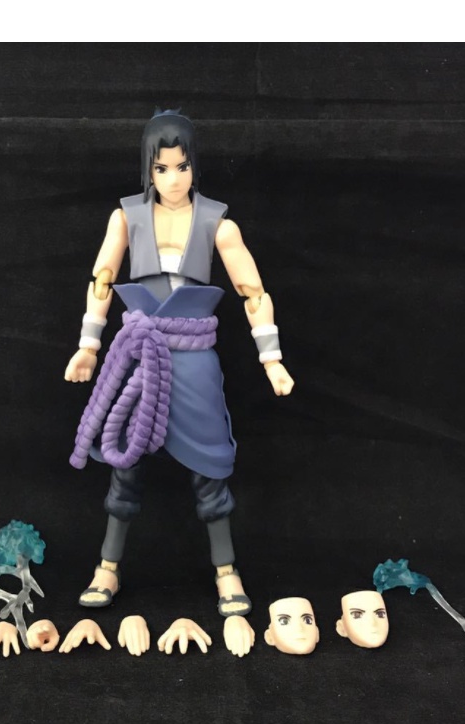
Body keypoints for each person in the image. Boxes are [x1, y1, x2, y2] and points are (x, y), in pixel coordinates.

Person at [65, 111, 294, 616]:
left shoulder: (218, 223)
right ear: (148, 168)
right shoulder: (126, 217)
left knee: (210, 467)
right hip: (140, 354)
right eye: (162, 168)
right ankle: (107, 566)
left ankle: (226, 571)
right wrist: (89, 344)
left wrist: (271, 358)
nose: (172, 179)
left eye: (182, 167)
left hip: (193, 360)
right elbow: (102, 280)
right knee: (124, 461)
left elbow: (252, 291)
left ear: (195, 166)